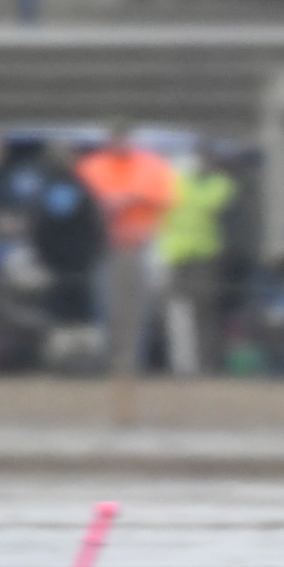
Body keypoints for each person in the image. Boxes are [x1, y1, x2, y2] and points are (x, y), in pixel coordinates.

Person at [77, 122, 180, 380]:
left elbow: (166, 198)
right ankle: (110, 364)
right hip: (105, 246)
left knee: (139, 309)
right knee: (106, 308)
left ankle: (136, 365)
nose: (119, 143)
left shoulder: (151, 165)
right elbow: (81, 202)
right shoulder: (91, 166)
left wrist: (132, 198)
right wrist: (106, 204)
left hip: (141, 245)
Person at [158, 143, 238, 374]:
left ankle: (207, 363)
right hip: (176, 253)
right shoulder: (179, 181)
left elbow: (208, 202)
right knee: (178, 311)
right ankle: (182, 364)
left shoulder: (220, 183)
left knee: (204, 310)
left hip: (204, 255)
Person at [27, 142, 107, 364]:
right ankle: (72, 357)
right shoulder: (73, 188)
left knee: (69, 312)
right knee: (73, 312)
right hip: (70, 263)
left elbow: (48, 225)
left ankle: (78, 358)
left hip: (68, 264)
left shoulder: (63, 188)